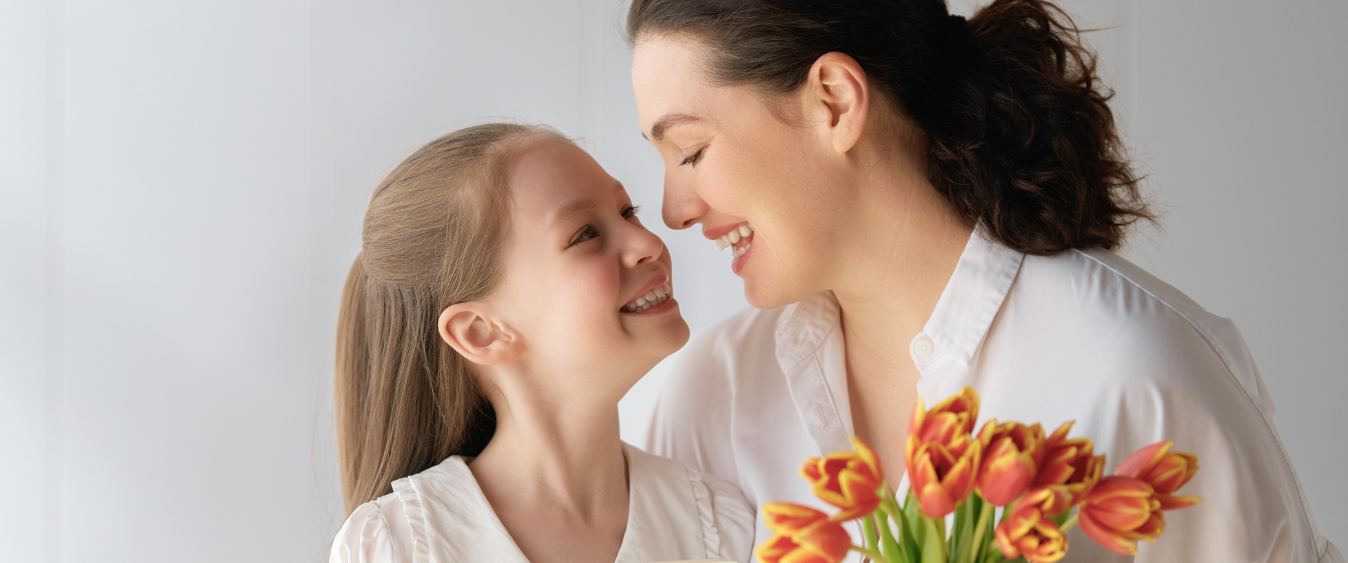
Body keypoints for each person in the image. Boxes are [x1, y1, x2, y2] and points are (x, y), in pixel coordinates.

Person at [626, 0, 1342, 561]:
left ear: (835, 102)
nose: (673, 210)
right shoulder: (703, 400)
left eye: (689, 151)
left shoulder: (1132, 369)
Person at [327, 123, 753, 563]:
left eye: (628, 211)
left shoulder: (717, 526)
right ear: (481, 331)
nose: (647, 242)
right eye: (585, 234)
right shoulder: (398, 547)